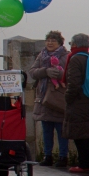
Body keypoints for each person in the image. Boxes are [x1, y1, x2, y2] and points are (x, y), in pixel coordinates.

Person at [28, 30, 69, 167]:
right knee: (46, 130)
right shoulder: (42, 55)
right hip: (44, 97)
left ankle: (63, 157)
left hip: (58, 98)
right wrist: (45, 71)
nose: (50, 43)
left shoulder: (66, 56)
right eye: (48, 40)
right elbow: (32, 72)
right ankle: (47, 156)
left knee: (61, 130)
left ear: (59, 43)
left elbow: (70, 75)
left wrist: (59, 74)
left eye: (53, 40)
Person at [63, 33, 89, 174]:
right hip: (87, 99)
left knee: (80, 136)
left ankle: (84, 164)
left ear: (74, 45)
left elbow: (73, 84)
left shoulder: (75, 59)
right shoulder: (87, 57)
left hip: (79, 102)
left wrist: (67, 98)